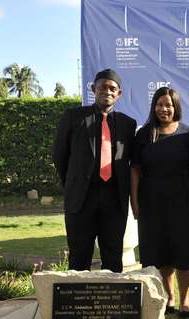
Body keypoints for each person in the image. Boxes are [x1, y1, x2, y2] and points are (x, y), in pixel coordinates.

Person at [130, 87, 189, 319]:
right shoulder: (143, 135)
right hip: (151, 202)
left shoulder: (188, 133)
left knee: (183, 251)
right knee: (160, 252)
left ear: (176, 108)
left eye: (169, 105)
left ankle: (185, 299)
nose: (164, 109)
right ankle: (169, 296)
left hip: (183, 201)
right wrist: (134, 201)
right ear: (154, 106)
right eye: (160, 104)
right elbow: (135, 170)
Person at [53, 69, 136, 272]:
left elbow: (130, 161)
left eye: (112, 88)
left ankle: (112, 301)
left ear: (119, 94)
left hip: (114, 198)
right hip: (81, 197)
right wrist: (74, 183)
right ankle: (78, 301)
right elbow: (60, 156)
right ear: (93, 89)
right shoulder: (73, 117)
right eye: (102, 87)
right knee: (79, 255)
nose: (107, 91)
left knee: (113, 255)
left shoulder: (128, 124)